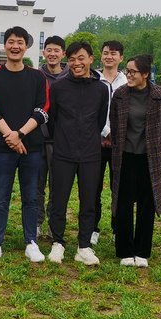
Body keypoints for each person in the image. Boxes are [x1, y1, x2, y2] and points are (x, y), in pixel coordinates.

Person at [0, 26, 49, 263]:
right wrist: (10, 135)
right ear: (4, 45)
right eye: (11, 41)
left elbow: (43, 110)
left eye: (20, 42)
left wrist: (19, 134)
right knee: (1, 196)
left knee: (30, 196)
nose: (15, 46)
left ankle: (31, 241)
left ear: (26, 46)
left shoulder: (37, 76)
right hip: (1, 147)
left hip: (32, 147)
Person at [46, 41, 108, 265]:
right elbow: (52, 120)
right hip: (63, 152)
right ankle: (58, 242)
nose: (76, 63)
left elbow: (100, 120)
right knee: (58, 200)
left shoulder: (101, 89)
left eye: (81, 58)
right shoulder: (58, 87)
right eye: (71, 59)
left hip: (91, 154)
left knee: (89, 201)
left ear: (91, 59)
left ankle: (84, 245)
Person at [109, 54, 161, 268]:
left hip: (149, 157)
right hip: (125, 156)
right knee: (123, 203)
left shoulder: (159, 96)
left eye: (133, 72)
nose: (129, 75)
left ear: (145, 74)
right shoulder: (120, 95)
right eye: (127, 71)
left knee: (147, 204)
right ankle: (125, 251)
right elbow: (115, 124)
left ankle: (142, 250)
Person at [93, 40, 127, 245]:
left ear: (120, 57)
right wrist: (104, 132)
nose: (109, 56)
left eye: (113, 53)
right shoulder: (93, 79)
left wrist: (114, 133)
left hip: (120, 143)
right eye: (106, 53)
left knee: (119, 188)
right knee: (93, 188)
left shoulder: (127, 81)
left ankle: (117, 228)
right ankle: (93, 228)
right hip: (95, 142)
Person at [37, 35, 68, 240]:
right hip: (37, 139)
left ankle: (53, 224)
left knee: (58, 186)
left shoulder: (71, 77)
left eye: (57, 50)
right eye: (49, 50)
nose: (52, 54)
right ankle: (36, 223)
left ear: (63, 54)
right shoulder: (36, 76)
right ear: (44, 52)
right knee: (36, 185)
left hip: (62, 141)